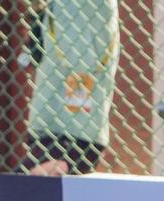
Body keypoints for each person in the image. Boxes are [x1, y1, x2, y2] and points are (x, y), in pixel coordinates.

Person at [18, 0, 119, 175]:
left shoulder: (79, 8)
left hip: (69, 134)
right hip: (57, 131)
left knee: (13, 193)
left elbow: (80, 61)